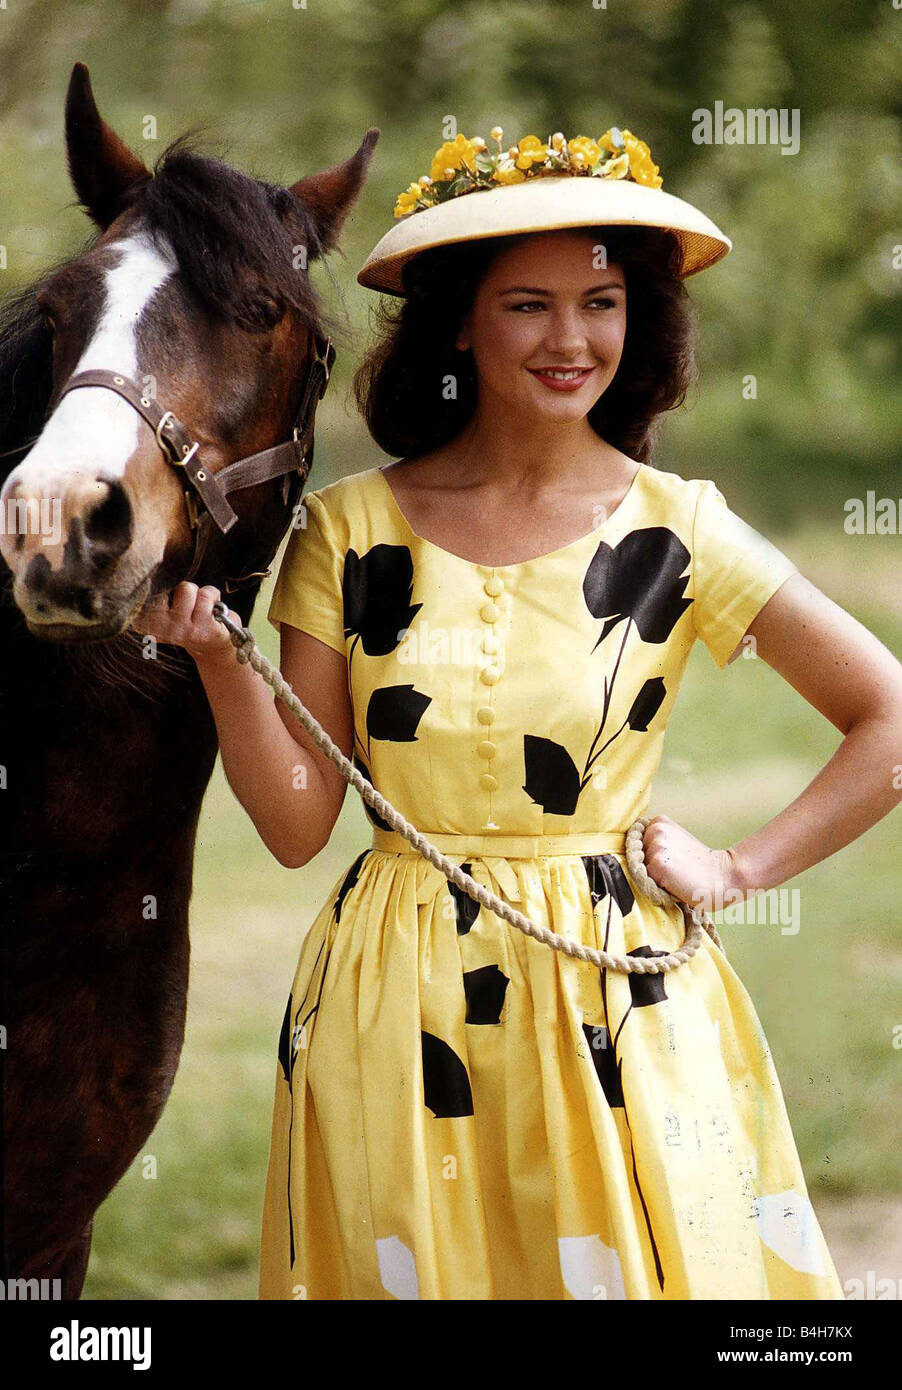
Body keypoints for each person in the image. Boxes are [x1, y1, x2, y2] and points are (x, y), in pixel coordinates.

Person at [140, 126, 902, 1299]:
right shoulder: (349, 531)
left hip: (616, 992)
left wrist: (741, 865)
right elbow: (297, 827)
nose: (569, 339)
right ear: (457, 321)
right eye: (527, 304)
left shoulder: (678, 527)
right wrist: (221, 663)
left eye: (599, 301)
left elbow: (885, 717)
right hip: (391, 1001)